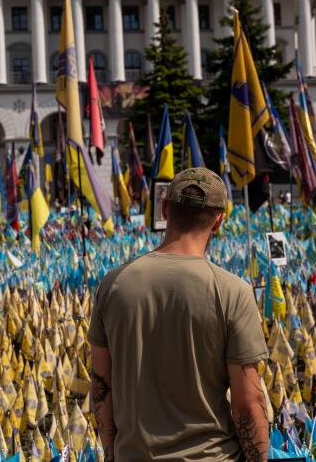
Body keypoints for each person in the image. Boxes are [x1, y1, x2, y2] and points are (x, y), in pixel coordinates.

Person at [88, 168, 269, 462]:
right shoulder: (233, 291)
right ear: (220, 220)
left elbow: (101, 385)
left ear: (164, 208)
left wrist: (111, 453)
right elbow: (248, 402)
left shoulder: (114, 284)